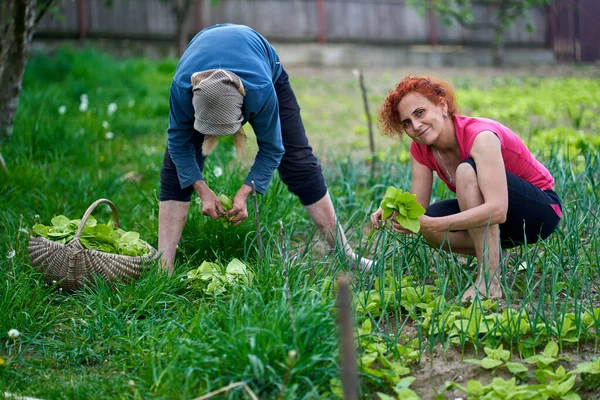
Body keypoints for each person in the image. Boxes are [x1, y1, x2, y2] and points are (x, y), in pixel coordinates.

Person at [158, 23, 371, 275]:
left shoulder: (260, 90)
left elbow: (272, 148)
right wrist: (202, 191)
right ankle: (164, 268)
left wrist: (246, 191)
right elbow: (178, 145)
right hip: (202, 60)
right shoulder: (182, 89)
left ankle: (345, 253)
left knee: (298, 162)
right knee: (175, 169)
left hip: (261, 64)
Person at [370, 76, 562, 302]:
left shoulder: (481, 136)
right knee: (430, 221)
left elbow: (498, 209)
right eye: (407, 122)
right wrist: (396, 210)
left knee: (465, 172)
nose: (416, 126)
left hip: (539, 211)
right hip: (500, 221)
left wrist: (436, 224)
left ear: (442, 106)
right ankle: (494, 256)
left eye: (420, 113)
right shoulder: (420, 148)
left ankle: (489, 282)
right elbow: (419, 210)